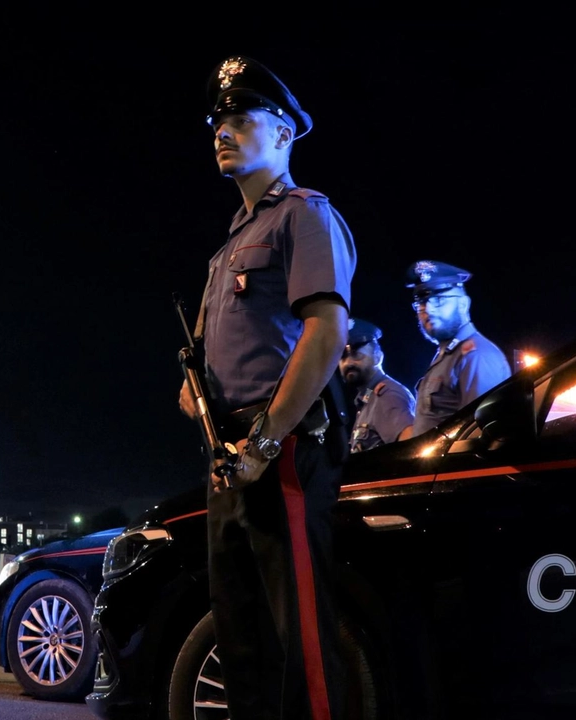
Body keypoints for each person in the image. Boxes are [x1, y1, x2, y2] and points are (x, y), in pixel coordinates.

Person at [177, 55, 356, 719]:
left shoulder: (303, 217)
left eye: (241, 118)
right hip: (229, 457)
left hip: (281, 450)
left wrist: (266, 435)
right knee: (241, 635)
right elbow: (198, 364)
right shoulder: (228, 246)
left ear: (283, 134)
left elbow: (326, 333)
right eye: (217, 122)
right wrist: (194, 395)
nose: (222, 131)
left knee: (302, 638)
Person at [401, 260, 512, 438]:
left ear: (463, 304)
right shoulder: (447, 355)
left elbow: (476, 436)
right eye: (422, 302)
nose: (428, 309)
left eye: (439, 299)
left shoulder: (476, 355)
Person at [342, 318, 414, 452]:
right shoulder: (368, 396)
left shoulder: (387, 396)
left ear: (378, 356)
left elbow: (411, 449)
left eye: (356, 354)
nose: (348, 363)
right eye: (343, 357)